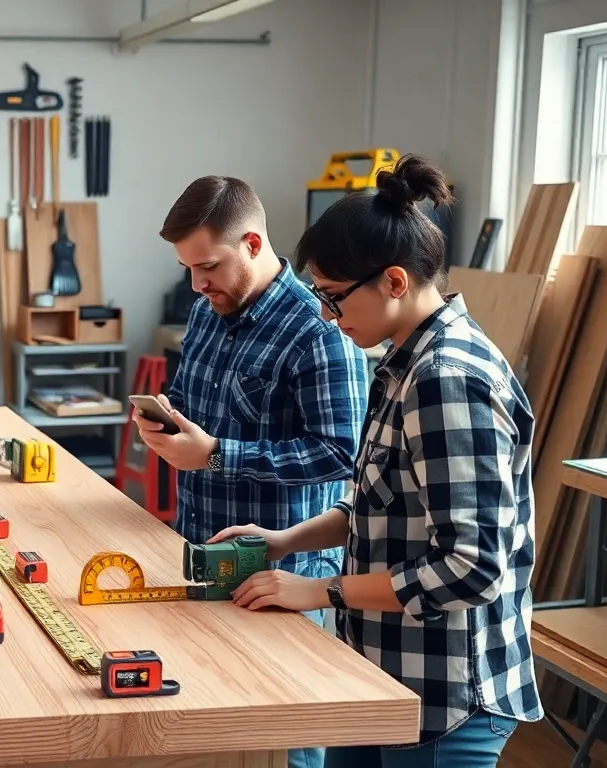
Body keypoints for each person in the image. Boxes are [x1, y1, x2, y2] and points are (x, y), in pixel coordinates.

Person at [210, 155, 542, 767]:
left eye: (335, 298)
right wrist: (287, 540)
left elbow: (471, 568)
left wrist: (320, 590)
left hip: (444, 696)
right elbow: (379, 502)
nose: (327, 316)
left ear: (393, 281)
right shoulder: (400, 363)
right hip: (382, 672)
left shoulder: (447, 380)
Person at [132, 175, 369, 768]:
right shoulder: (207, 309)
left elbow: (343, 453)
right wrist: (165, 425)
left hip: (284, 576)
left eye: (208, 265)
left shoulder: (321, 330)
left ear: (255, 244)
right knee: (219, 735)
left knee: (286, 746)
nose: (197, 282)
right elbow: (186, 398)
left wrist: (216, 453)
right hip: (201, 552)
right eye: (188, 268)